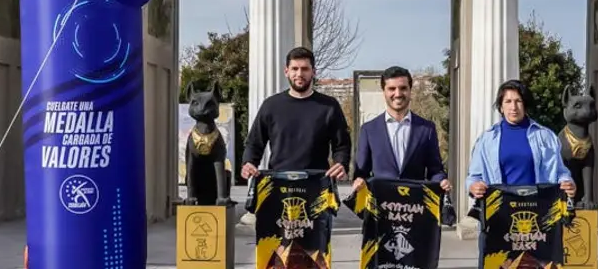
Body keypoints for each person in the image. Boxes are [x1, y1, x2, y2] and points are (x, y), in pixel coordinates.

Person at [240, 46, 353, 180]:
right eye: (294, 69)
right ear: (286, 71)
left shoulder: (329, 106)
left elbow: (342, 145)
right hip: (277, 184)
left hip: (318, 185)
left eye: (305, 69)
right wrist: (248, 163)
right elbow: (254, 143)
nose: (299, 74)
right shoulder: (271, 105)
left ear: (313, 72)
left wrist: (341, 164)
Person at [466, 78, 575, 199]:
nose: (514, 107)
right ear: (501, 107)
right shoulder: (486, 139)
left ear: (525, 105)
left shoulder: (545, 136)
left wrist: (567, 183)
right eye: (508, 101)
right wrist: (473, 186)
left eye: (518, 101)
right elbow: (474, 177)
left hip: (539, 207)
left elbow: (561, 172)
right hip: (499, 208)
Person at [351, 66, 451, 194]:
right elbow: (361, 173)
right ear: (384, 91)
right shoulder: (369, 130)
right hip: (379, 206)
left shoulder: (426, 129)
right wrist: (358, 181)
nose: (398, 94)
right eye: (392, 89)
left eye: (403, 88)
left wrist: (441, 181)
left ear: (410, 90)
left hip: (415, 206)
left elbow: (435, 170)